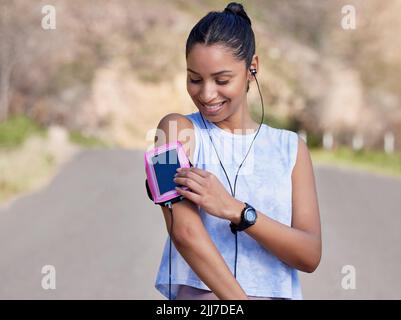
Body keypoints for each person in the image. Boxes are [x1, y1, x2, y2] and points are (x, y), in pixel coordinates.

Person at [153, 2, 321, 300]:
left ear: (252, 67)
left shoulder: (292, 149)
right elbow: (185, 233)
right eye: (194, 79)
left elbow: (309, 255)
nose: (206, 94)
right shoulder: (172, 132)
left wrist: (237, 211)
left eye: (222, 80)